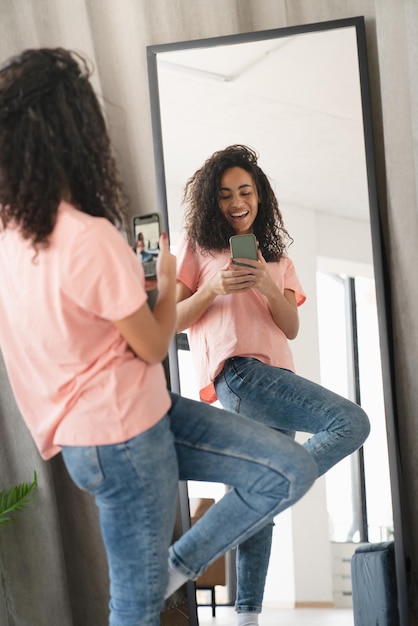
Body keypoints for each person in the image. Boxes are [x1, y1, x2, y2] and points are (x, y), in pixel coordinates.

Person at [0, 50, 317, 626]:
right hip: (120, 433)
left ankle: (180, 563)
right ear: (75, 137)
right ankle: (170, 572)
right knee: (135, 606)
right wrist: (168, 278)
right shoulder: (86, 237)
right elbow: (152, 344)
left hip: (124, 422)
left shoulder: (11, 231)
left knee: (287, 468)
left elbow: (94, 331)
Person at [176, 144, 371, 626]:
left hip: (277, 379)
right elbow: (170, 320)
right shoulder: (199, 249)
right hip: (239, 374)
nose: (236, 201)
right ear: (211, 202)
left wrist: (263, 282)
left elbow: (290, 326)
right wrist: (213, 289)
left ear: (260, 196)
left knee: (259, 505)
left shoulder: (278, 258)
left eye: (245, 190)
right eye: (224, 194)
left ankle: (247, 617)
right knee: (350, 422)